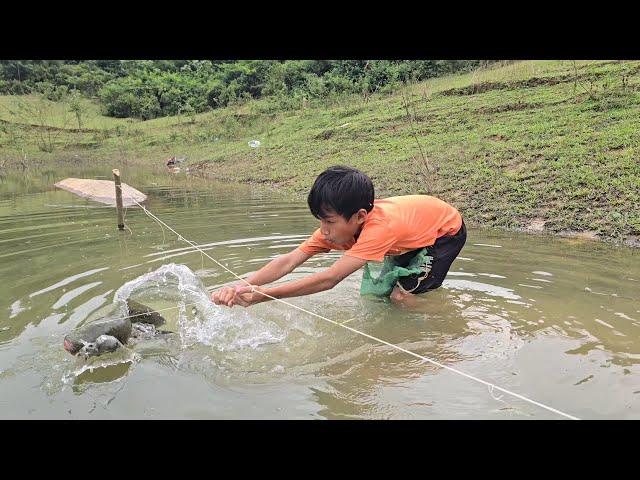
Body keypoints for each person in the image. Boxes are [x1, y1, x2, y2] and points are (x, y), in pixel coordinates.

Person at [211, 165, 466, 307]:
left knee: (402, 297)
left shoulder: (380, 230)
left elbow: (329, 279)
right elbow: (289, 261)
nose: (323, 230)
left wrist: (265, 295)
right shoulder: (336, 228)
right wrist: (242, 285)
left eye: (329, 221)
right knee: (381, 296)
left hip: (445, 233)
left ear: (360, 216)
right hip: (411, 233)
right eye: (320, 220)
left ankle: (437, 324)